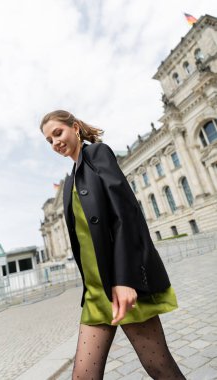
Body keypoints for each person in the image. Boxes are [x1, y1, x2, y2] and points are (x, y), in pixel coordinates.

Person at [40, 110, 186, 380]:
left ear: (74, 127)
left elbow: (126, 214)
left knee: (159, 366)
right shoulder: (71, 179)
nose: (55, 142)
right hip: (96, 293)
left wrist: (126, 278)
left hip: (121, 286)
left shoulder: (97, 155)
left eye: (58, 133)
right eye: (49, 140)